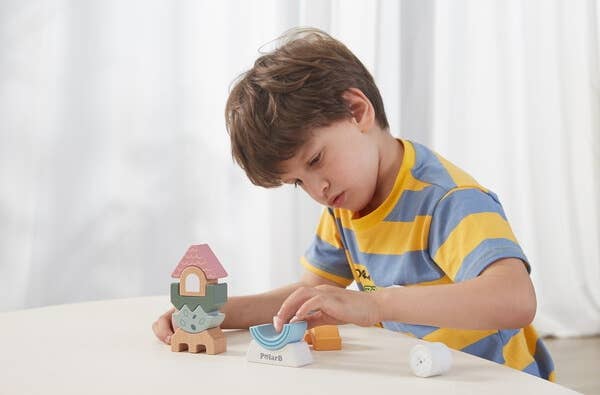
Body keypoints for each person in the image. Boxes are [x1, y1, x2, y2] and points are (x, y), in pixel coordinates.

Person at [152, 27, 555, 381]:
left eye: (315, 161)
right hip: (422, 374)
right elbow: (310, 296)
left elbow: (516, 300)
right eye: (297, 183)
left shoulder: (446, 200)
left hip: (495, 381)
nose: (317, 190)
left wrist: (372, 305)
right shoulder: (344, 205)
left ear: (356, 110)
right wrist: (212, 313)